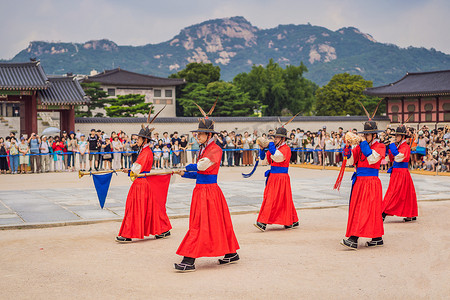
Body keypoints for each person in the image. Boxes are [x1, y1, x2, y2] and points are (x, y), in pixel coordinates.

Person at [174, 102, 239, 272]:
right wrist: (183, 174)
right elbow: (200, 173)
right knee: (216, 222)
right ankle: (231, 252)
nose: (197, 137)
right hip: (203, 191)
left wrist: (188, 166)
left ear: (208, 134)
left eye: (200, 134)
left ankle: (189, 259)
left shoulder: (215, 149)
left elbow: (202, 167)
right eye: (197, 134)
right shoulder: (204, 149)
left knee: (198, 224)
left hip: (208, 192)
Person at [116, 107, 172, 243]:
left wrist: (130, 171)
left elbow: (136, 170)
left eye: (139, 139)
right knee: (150, 208)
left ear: (145, 140)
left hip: (141, 183)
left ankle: (128, 233)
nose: (137, 140)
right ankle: (162, 230)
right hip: (144, 182)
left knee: (134, 208)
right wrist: (130, 170)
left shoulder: (145, 152)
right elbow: (137, 169)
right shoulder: (145, 152)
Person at [341, 120, 386, 250]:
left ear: (374, 135)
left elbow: (372, 159)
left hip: (371, 182)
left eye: (368, 134)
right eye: (364, 134)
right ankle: (377, 237)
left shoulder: (380, 147)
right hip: (359, 181)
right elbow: (350, 161)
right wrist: (348, 149)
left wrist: (363, 144)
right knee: (365, 209)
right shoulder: (361, 146)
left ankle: (354, 238)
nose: (364, 137)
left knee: (364, 209)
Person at [254, 126, 299, 231]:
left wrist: (270, 146)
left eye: (277, 138)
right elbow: (265, 159)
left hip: (281, 177)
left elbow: (278, 157)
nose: (275, 140)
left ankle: (263, 221)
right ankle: (292, 220)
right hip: (273, 177)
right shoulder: (275, 148)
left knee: (272, 198)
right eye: (275, 137)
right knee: (281, 199)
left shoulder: (286, 149)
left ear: (283, 139)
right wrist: (262, 149)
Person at [382, 125, 418, 222]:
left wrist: (392, 145)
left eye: (397, 136)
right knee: (405, 194)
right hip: (397, 172)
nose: (396, 137)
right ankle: (410, 214)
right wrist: (386, 147)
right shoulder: (399, 146)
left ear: (402, 137)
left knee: (394, 193)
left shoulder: (405, 147)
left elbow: (398, 157)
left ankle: (384, 212)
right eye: (396, 135)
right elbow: (391, 156)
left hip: (401, 173)